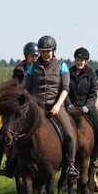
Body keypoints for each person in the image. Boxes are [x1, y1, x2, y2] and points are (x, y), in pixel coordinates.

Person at [23, 35, 78, 179]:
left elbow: (65, 88)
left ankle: (71, 165)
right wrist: (32, 106)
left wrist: (58, 105)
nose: (46, 54)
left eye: (48, 51)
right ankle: (12, 164)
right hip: (37, 107)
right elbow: (27, 89)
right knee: (17, 131)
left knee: (69, 134)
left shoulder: (62, 65)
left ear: (54, 51)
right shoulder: (33, 67)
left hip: (57, 106)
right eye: (43, 51)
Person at [0, 41, 40, 176]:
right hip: (20, 106)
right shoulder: (19, 70)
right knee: (4, 131)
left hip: (36, 105)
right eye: (32, 56)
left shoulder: (41, 69)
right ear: (26, 56)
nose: (34, 59)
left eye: (36, 56)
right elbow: (12, 88)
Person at [64, 47, 98, 169]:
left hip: (87, 108)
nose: (79, 62)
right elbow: (65, 90)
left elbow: (93, 94)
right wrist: (68, 104)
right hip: (71, 107)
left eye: (82, 60)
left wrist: (87, 106)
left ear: (86, 61)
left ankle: (97, 155)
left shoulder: (91, 75)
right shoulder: (68, 73)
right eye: (77, 60)